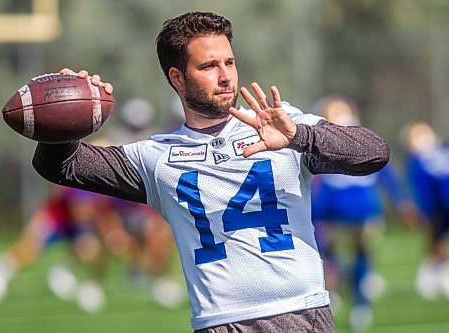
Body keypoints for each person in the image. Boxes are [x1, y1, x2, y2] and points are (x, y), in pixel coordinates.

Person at [31, 12, 390, 332]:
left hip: (301, 314)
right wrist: (65, 117)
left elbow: (375, 154)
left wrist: (299, 137)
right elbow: (60, 166)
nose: (225, 77)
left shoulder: (284, 124)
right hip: (218, 322)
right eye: (208, 66)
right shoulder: (155, 158)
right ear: (178, 78)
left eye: (230, 63)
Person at [310, 95, 416, 330]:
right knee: (329, 258)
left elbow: (386, 174)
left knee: (361, 258)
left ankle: (360, 302)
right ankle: (333, 294)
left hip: (366, 214)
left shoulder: (363, 144)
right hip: (333, 217)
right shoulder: (321, 146)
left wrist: (401, 203)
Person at [0, 184, 119, 312]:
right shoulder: (84, 179)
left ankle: (79, 281)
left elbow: (102, 213)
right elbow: (78, 207)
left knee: (93, 249)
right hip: (57, 216)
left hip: (76, 224)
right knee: (31, 246)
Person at [402, 122, 449, 301]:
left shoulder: (443, 153)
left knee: (437, 239)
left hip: (444, 205)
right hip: (444, 206)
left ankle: (441, 275)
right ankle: (441, 275)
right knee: (438, 240)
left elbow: (422, 190)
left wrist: (425, 211)